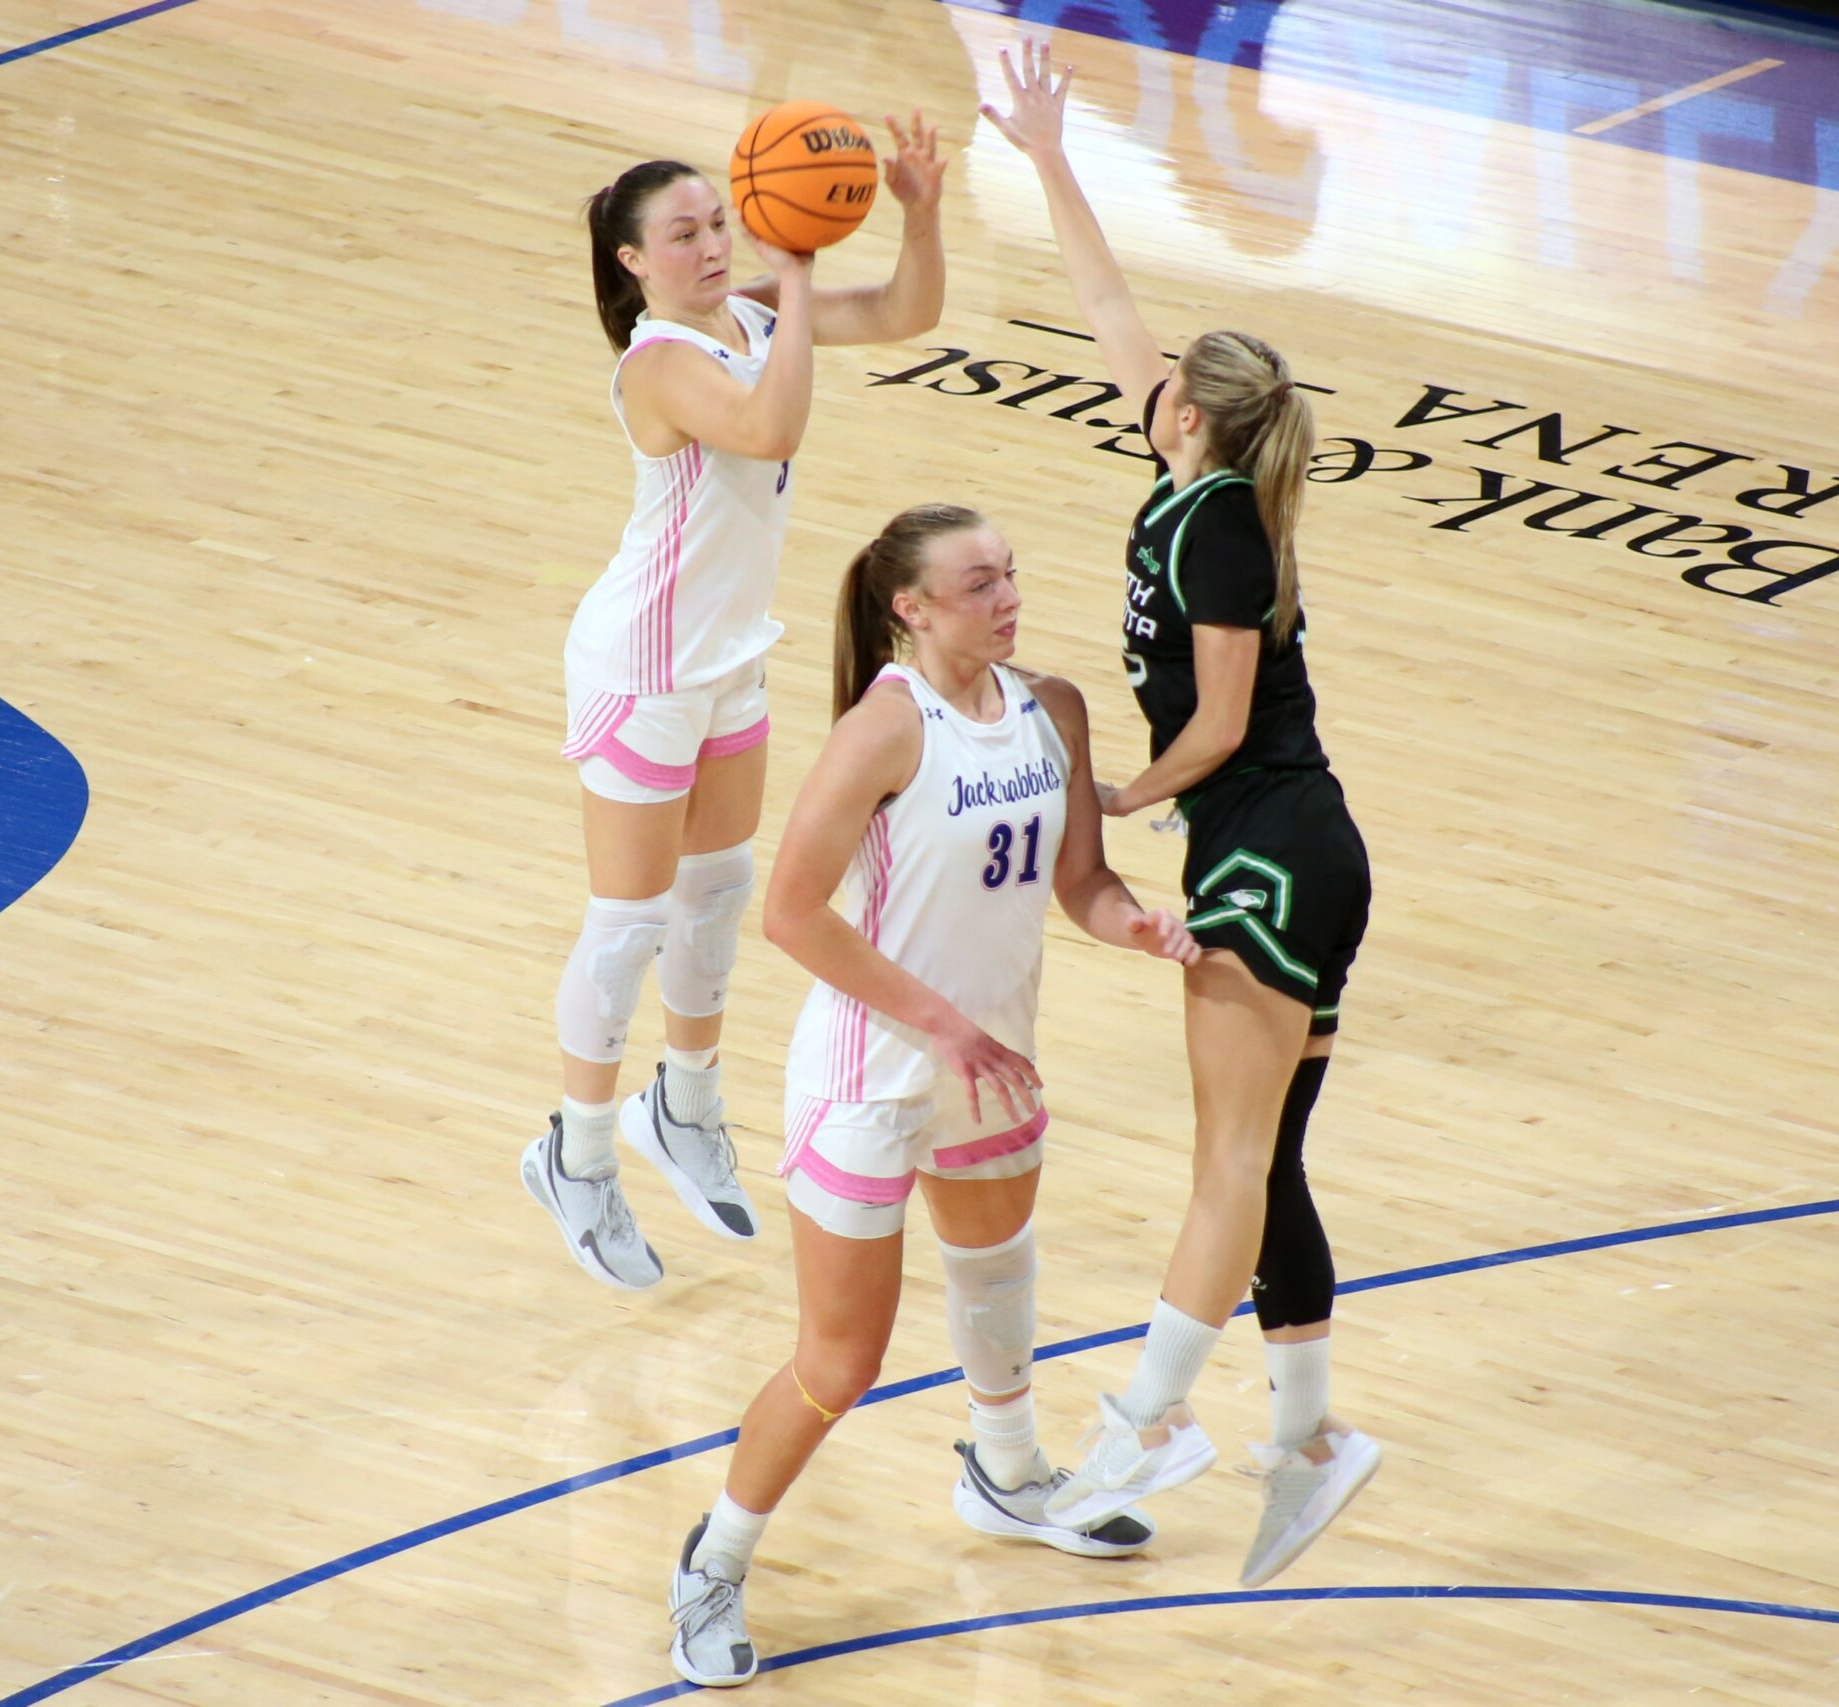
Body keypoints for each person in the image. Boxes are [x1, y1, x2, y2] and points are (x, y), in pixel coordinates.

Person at [662, 504, 1200, 1688]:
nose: (1007, 598)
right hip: (878, 1074)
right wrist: (941, 1023)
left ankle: (1007, 1476)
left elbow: (1081, 879)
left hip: (990, 1060)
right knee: (841, 1361)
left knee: (998, 1282)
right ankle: (715, 1558)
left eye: (1012, 574)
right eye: (977, 584)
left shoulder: (1051, 707)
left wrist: (1141, 928)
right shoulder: (884, 730)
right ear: (911, 606)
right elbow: (790, 916)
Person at [980, 43, 1383, 1587]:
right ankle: (1313, 1438)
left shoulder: (1223, 532)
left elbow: (1218, 723)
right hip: (1295, 846)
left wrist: (1112, 794)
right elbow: (1106, 308)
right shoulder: (1197, 461)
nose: (1142, 390)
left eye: (1167, 390)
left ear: (1196, 423)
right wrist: (1048, 153)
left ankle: (1148, 1421)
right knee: (1267, 1164)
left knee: (1224, 1161)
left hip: (1273, 848)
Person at [522, 123, 949, 1289]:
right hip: (641, 669)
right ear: (631, 262)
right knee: (628, 921)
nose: (712, 245)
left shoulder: (754, 316)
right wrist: (801, 283)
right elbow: (772, 427)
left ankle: (687, 1106)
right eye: (684, 233)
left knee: (716, 894)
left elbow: (908, 312)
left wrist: (915, 211)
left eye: (719, 222)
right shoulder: (660, 361)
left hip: (724, 660)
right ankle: (577, 1152)